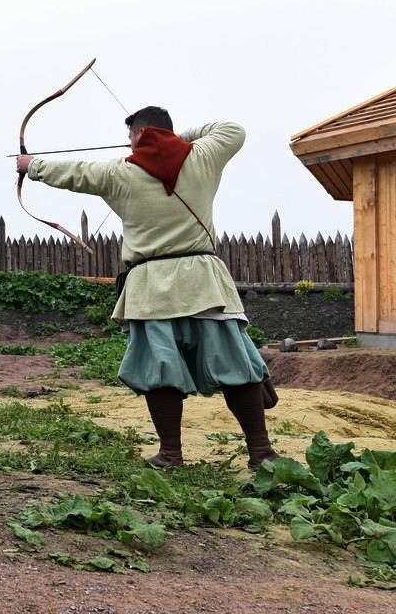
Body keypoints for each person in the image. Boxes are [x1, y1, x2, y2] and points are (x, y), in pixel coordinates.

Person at [15, 106, 279, 470]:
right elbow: (232, 128)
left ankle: (171, 453)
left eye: (131, 138)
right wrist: (178, 139)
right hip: (203, 281)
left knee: (160, 370)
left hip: (152, 288)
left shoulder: (118, 172)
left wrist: (31, 166)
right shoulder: (203, 156)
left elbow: (73, 172)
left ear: (138, 135)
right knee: (236, 365)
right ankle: (261, 451)